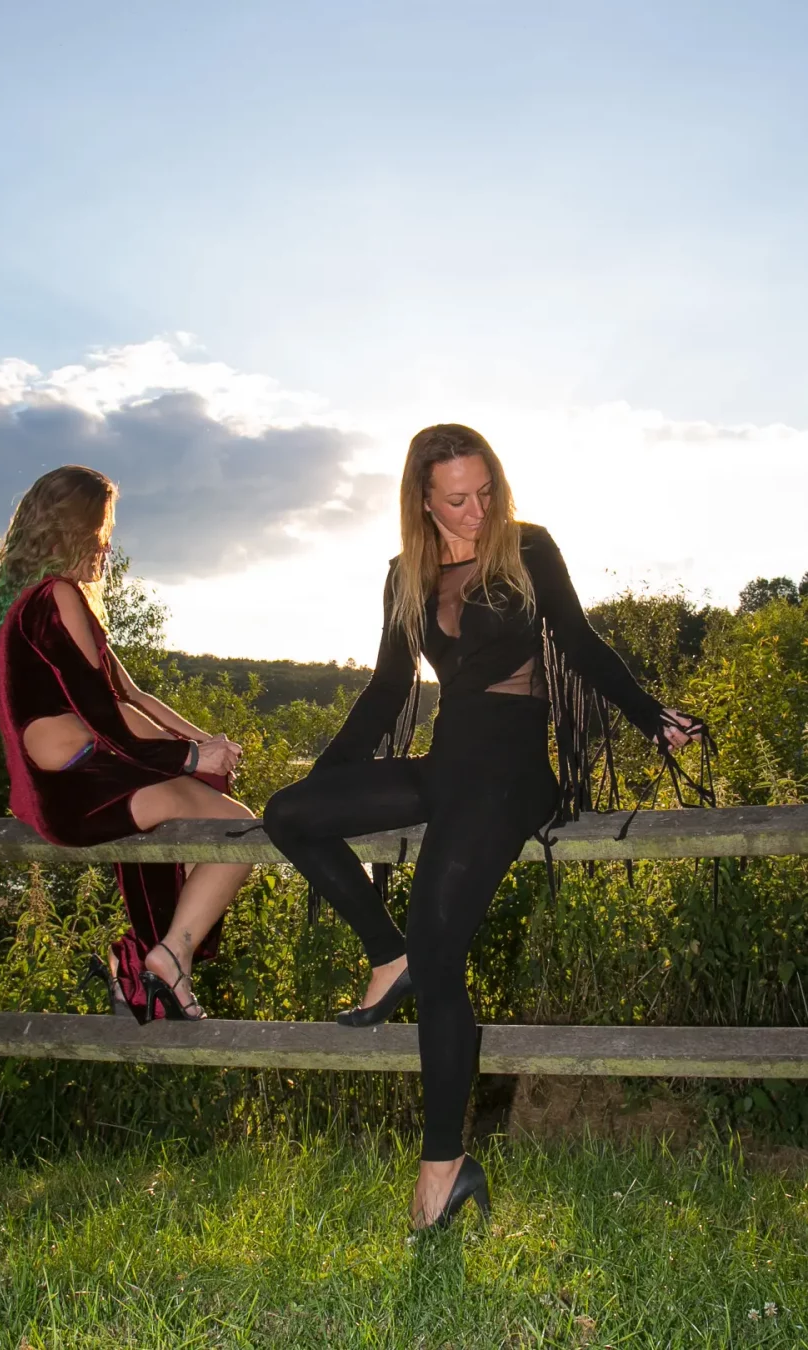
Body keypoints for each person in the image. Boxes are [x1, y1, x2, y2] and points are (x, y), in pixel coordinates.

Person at [263, 424, 705, 1230]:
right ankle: (383, 951)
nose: (476, 511)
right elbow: (387, 689)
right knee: (290, 814)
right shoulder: (406, 576)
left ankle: (442, 1168)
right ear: (422, 500)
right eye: (457, 499)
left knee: (443, 952)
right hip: (449, 765)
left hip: (510, 774)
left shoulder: (529, 549)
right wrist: (327, 773)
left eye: (486, 491)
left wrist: (649, 715)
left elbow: (579, 642)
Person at [0, 465, 253, 1023]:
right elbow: (106, 718)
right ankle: (164, 960)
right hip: (75, 790)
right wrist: (189, 757)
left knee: (230, 824)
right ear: (74, 528)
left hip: (77, 786)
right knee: (239, 833)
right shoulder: (56, 597)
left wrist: (204, 741)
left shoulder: (46, 601)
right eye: (101, 529)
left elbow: (134, 695)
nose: (108, 544)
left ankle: (152, 963)